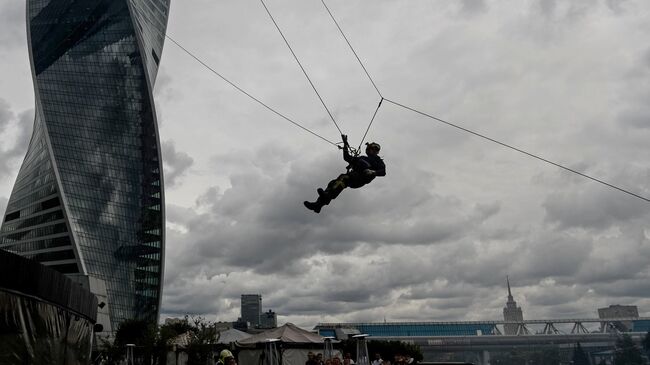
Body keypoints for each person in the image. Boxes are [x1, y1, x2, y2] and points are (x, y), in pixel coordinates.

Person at [304, 135, 386, 213]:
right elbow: (347, 157)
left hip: (362, 178)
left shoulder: (378, 161)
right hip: (353, 177)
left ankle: (327, 197)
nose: (373, 151)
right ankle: (318, 205)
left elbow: (383, 172)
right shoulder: (361, 158)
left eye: (375, 150)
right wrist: (345, 144)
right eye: (372, 149)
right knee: (334, 183)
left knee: (344, 178)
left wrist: (373, 172)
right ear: (368, 150)